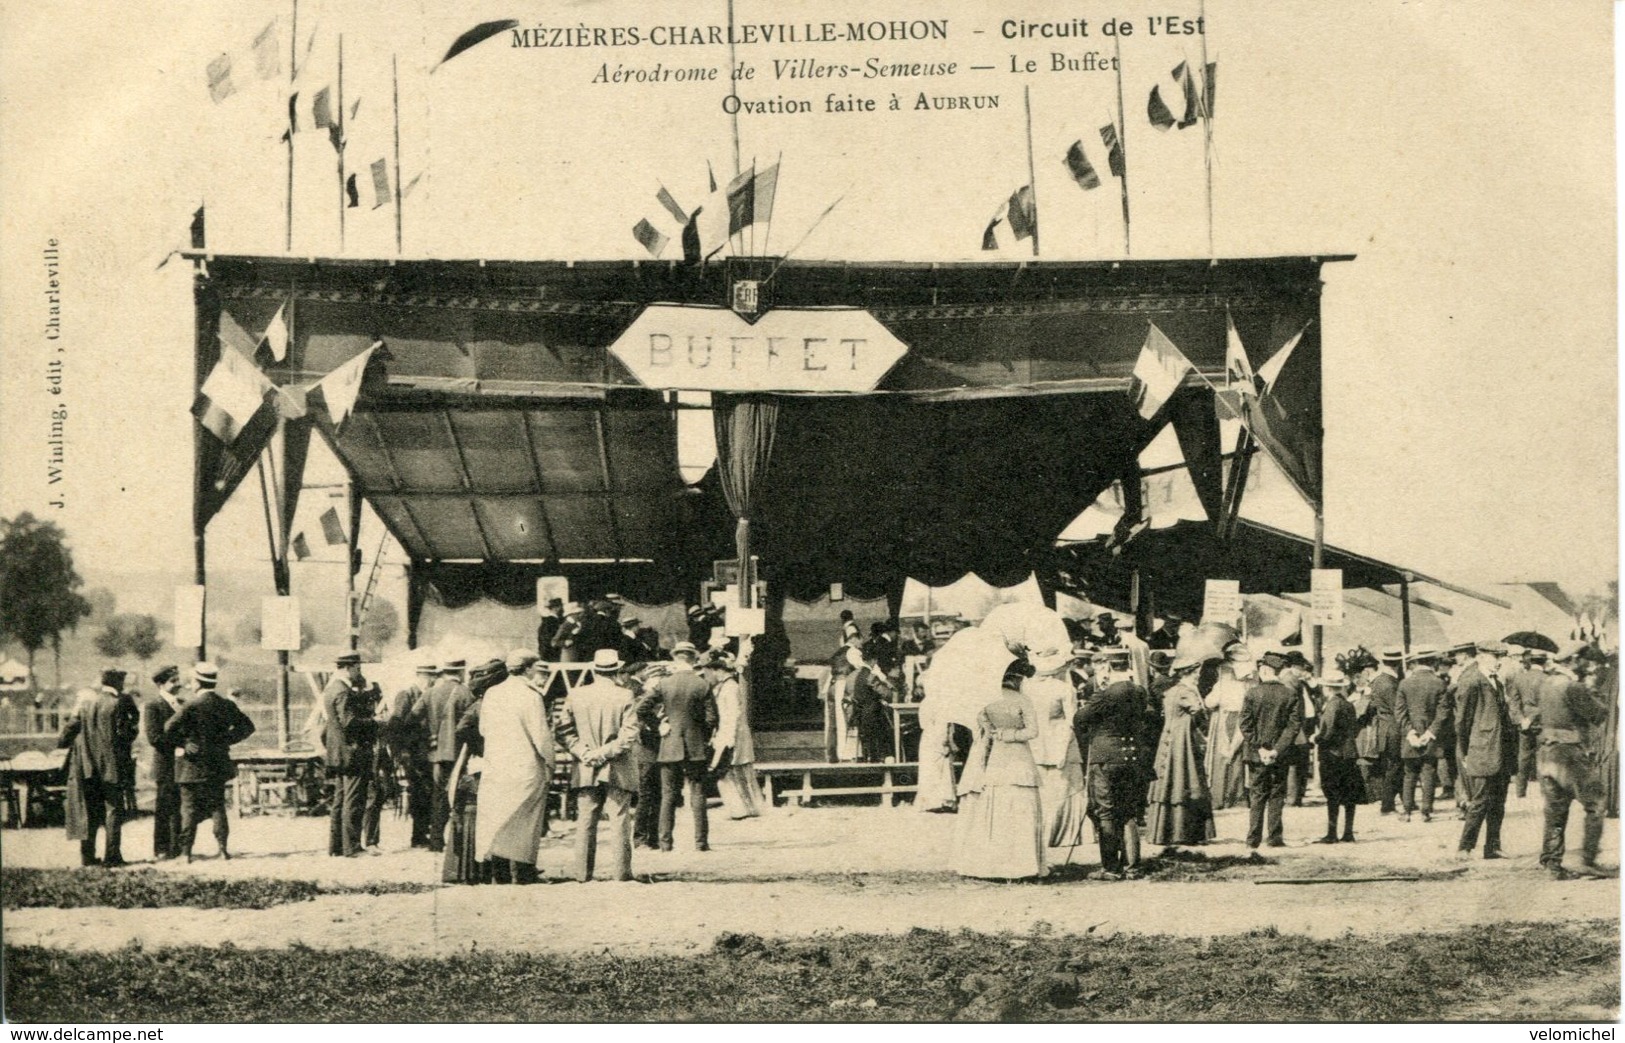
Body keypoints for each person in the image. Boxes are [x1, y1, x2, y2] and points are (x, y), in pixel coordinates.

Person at [952, 658, 1045, 880]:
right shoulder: (1023, 700)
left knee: (996, 807)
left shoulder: (987, 701)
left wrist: (997, 733)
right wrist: (1011, 734)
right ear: (1017, 678)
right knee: (1021, 807)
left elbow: (983, 727)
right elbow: (1032, 731)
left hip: (996, 757)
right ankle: (1023, 865)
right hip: (1019, 756)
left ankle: (994, 863)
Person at [559, 649, 643, 881]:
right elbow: (629, 735)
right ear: (617, 670)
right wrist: (604, 753)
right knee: (619, 819)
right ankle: (621, 872)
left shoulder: (575, 695)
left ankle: (582, 873)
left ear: (594, 670)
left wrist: (584, 752)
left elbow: (563, 731)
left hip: (585, 766)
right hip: (617, 766)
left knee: (585, 820)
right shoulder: (625, 696)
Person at [476, 651, 555, 884]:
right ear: (528, 669)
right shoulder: (531, 696)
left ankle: (498, 872)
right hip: (525, 765)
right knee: (527, 819)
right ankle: (523, 872)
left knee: (499, 815)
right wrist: (551, 761)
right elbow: (540, 736)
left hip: (497, 764)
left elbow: (483, 730)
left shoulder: (492, 693)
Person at [164, 663, 256, 863]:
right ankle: (223, 850)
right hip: (217, 764)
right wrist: (227, 740)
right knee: (217, 807)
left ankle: (185, 853)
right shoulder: (226, 705)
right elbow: (248, 727)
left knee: (188, 809)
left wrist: (185, 743)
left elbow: (168, 728)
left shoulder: (191, 705)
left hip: (192, 765)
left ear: (197, 682)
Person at [1534, 643, 1612, 879]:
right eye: (1585, 661)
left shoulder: (1546, 683)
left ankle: (1551, 862)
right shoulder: (1574, 687)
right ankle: (1588, 860)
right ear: (1575, 661)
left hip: (1546, 752)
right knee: (1596, 802)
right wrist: (1593, 689)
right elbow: (1599, 714)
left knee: (1555, 809)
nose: (1588, 666)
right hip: (1569, 753)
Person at [1077, 654, 1152, 878]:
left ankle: (1110, 868)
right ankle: (1132, 867)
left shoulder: (1104, 694)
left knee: (1106, 812)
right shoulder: (1140, 692)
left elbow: (1080, 719)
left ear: (1109, 666)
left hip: (1106, 758)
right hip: (1132, 757)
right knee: (1128, 811)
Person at [58, 673, 139, 867]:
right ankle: (112, 856)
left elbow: (66, 734)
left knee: (90, 810)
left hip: (86, 767)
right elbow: (124, 734)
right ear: (118, 682)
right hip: (111, 767)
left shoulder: (86, 703)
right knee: (113, 810)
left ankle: (88, 857)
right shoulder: (116, 703)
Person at [443, 659, 506, 885]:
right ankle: (477, 871)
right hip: (480, 766)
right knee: (477, 812)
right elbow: (462, 731)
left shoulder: (482, 704)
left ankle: (469, 870)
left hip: (476, 764)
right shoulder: (483, 705)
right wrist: (481, 747)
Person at [650, 642, 718, 851]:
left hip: (669, 744)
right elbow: (712, 718)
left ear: (675, 659)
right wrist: (701, 736)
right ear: (694, 659)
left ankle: (665, 844)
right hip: (695, 746)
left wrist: (658, 725)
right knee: (698, 795)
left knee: (668, 795)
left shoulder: (664, 683)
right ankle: (700, 843)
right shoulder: (702, 684)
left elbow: (642, 708)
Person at [1145, 651, 1216, 849]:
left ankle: (1164, 831)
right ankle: (1185, 832)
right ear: (1188, 672)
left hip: (1169, 738)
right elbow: (1199, 713)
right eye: (1196, 672)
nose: (1198, 676)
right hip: (1183, 741)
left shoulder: (1172, 691)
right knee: (1186, 779)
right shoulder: (1187, 692)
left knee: (1169, 780)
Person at [1455, 641, 1518, 860]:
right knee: (1480, 801)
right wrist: (1464, 752)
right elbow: (1462, 722)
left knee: (1499, 802)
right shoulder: (1472, 682)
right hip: (1481, 751)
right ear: (1481, 657)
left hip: (1501, 752)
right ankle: (1465, 847)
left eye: (1501, 658)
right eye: (1494, 657)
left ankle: (1493, 846)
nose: (1499, 662)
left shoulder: (1496, 683)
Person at [1239, 652, 1303, 850]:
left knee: (1257, 795)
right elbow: (1293, 727)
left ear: (1265, 670)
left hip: (1256, 754)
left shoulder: (1252, 693)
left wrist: (1259, 747)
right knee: (1277, 793)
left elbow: (1245, 725)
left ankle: (1253, 838)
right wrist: (1276, 750)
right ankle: (1274, 837)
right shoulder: (1290, 694)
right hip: (1280, 754)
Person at [1025, 650, 1088, 850]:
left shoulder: (1025, 688)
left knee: (1048, 789)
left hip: (1039, 743)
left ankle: (1044, 833)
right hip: (1056, 741)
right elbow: (1072, 722)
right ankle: (1063, 833)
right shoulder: (1064, 689)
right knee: (1062, 788)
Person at [322, 652, 380, 858]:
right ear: (349, 668)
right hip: (351, 753)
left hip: (338, 753)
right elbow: (349, 722)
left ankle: (336, 846)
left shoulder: (331, 689)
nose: (359, 672)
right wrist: (375, 722)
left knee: (340, 799)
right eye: (358, 668)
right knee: (353, 800)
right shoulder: (343, 691)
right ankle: (352, 847)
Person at [381, 658, 436, 848]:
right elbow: (394, 727)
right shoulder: (407, 695)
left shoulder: (428, 695)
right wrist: (401, 753)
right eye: (431, 677)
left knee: (426, 793)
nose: (433, 681)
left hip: (424, 753)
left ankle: (422, 833)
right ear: (422, 676)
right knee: (419, 793)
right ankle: (418, 835)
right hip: (411, 754)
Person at [703, 652, 762, 820]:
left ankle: (742, 808)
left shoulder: (730, 687)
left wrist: (728, 737)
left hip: (731, 733)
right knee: (730, 771)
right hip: (727, 732)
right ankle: (741, 807)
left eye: (714, 670)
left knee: (730, 770)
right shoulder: (724, 687)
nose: (712, 674)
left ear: (720, 670)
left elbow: (733, 714)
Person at [1396, 648, 1451, 822]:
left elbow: (1399, 712)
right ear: (1432, 662)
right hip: (1430, 735)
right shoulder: (1439, 683)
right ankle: (1426, 811)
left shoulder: (1404, 683)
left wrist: (1410, 732)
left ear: (1415, 663)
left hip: (1410, 735)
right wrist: (1430, 733)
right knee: (1429, 771)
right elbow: (1443, 712)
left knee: (1409, 773)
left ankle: (1406, 811)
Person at [426, 657, 474, 853]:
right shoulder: (465, 692)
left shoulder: (430, 692)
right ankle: (457, 843)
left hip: (435, 754)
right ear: (461, 672)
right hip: (458, 753)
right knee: (458, 796)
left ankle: (436, 840)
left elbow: (413, 716)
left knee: (438, 796)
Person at [1313, 671, 1364, 842]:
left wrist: (1317, 738)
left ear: (1327, 688)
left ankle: (1332, 833)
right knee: (1349, 794)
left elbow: (1328, 731)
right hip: (1349, 752)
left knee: (1332, 794)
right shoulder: (1348, 704)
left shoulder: (1332, 705)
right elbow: (1355, 728)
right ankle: (1348, 832)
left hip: (1333, 754)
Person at [143, 665, 186, 860]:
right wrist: (180, 743)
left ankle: (177, 847)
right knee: (164, 808)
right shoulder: (153, 706)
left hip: (183, 764)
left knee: (180, 807)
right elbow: (154, 737)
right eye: (173, 681)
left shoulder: (183, 703)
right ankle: (161, 848)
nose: (179, 684)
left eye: (178, 680)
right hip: (165, 764)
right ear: (161, 684)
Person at [1203, 643, 1253, 811]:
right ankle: (1239, 795)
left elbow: (1210, 702)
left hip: (1226, 717)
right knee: (1239, 758)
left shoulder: (1224, 679)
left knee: (1223, 757)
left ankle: (1222, 796)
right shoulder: (1249, 680)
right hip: (1244, 717)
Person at [1278, 651, 1319, 807]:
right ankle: (1293, 797)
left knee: (1299, 760)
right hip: (1296, 726)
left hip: (1302, 724)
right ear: (1295, 666)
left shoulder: (1297, 680)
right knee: (1294, 762)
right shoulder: (1290, 680)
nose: (1304, 670)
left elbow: (1314, 694)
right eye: (1302, 667)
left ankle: (1296, 796)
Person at [1505, 647, 1547, 799]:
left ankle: (1520, 791)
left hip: (1524, 723)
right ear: (1544, 662)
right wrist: (1532, 717)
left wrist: (1521, 719)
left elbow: (1513, 703)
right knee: (1542, 756)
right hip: (1542, 722)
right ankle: (1544, 790)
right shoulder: (1547, 679)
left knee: (1523, 756)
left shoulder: (1519, 678)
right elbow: (1546, 703)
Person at [849, 646, 895, 763]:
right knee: (890, 725)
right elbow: (886, 694)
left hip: (859, 715)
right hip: (872, 715)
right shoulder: (870, 676)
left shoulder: (855, 674)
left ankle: (868, 754)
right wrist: (891, 686)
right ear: (873, 660)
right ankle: (886, 755)